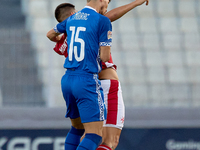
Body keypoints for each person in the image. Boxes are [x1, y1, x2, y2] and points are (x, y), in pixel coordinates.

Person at [51, 0, 149, 150]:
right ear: (72, 14)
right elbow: (108, 18)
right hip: (98, 82)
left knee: (81, 132)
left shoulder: (63, 40)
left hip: (72, 80)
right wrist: (135, 3)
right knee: (107, 140)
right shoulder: (92, 22)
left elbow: (51, 35)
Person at [47, 0, 112, 150]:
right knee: (95, 135)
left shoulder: (72, 18)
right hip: (86, 80)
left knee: (77, 129)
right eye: (107, 1)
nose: (107, 5)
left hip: (68, 79)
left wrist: (61, 40)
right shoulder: (102, 21)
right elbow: (105, 57)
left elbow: (50, 34)